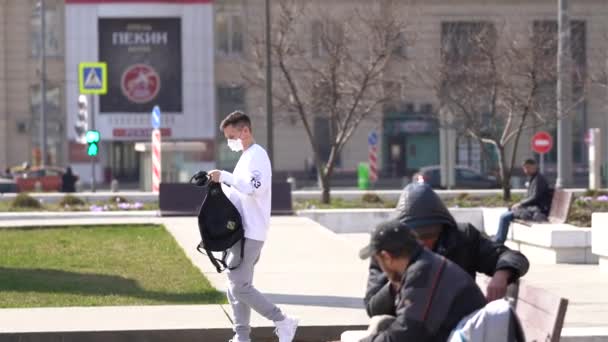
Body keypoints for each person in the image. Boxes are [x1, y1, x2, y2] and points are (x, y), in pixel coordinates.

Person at [366, 183, 529, 318]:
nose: (425, 243)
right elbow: (373, 309)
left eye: (431, 235)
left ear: (443, 227)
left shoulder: (463, 238)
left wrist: (502, 273)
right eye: (417, 238)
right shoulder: (388, 249)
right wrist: (397, 281)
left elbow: (514, 257)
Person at [208, 111, 298, 342]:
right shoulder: (247, 157)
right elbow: (239, 193)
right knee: (235, 285)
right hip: (241, 231)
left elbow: (253, 188)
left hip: (251, 231)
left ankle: (283, 320)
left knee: (239, 286)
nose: (229, 141)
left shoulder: (258, 156)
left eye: (231, 136)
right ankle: (242, 336)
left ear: (245, 131)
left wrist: (225, 176)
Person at [357, 220, 487, 341]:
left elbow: (407, 331)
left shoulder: (421, 273)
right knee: (382, 323)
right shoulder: (424, 263)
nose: (382, 269)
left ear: (387, 257)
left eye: (379, 261)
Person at [494, 158, 552, 244]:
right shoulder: (534, 178)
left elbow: (535, 197)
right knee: (507, 213)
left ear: (534, 167)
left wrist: (520, 204)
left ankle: (498, 241)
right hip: (532, 208)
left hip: (537, 210)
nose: (526, 170)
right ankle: (498, 238)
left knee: (504, 217)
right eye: (525, 168)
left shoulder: (539, 180)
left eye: (528, 167)